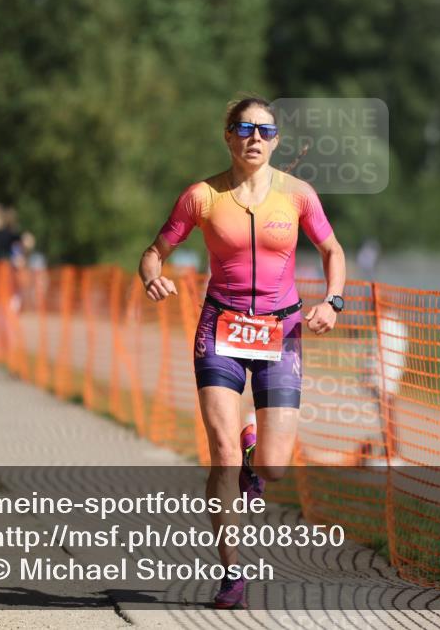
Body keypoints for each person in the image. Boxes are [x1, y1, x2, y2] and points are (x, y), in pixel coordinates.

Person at [138, 96, 346, 609]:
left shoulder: (297, 195)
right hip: (220, 328)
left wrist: (334, 302)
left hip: (282, 329)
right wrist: (152, 278)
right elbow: (153, 252)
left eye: (265, 130)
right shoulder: (202, 197)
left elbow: (332, 251)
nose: (255, 137)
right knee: (222, 454)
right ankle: (232, 574)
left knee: (273, 469)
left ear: (276, 141)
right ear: (228, 136)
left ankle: (256, 449)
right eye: (244, 128)